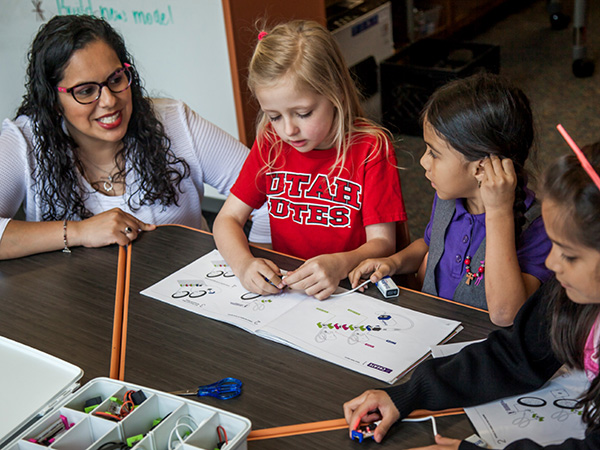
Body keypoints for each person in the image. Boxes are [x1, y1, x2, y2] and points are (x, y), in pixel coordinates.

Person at [343, 142, 600, 449]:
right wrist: (410, 394)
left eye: (569, 255)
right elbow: (516, 355)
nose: (551, 263)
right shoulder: (572, 295)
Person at [0, 14, 268, 260]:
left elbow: (272, 188)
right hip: (73, 304)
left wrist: (254, 260)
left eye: (116, 79)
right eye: (85, 91)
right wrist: (79, 232)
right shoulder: (26, 140)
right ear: (54, 101)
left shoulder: (175, 122)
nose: (108, 101)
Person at [213, 20, 406, 300]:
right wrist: (243, 264)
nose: (288, 130)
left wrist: (339, 263)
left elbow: (383, 243)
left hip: (350, 288)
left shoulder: (370, 148)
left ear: (335, 93)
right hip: (289, 289)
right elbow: (227, 219)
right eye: (274, 116)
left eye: (303, 113)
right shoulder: (271, 141)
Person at [349, 73, 552, 326]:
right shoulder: (450, 197)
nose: (423, 161)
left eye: (434, 153)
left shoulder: (539, 225)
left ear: (480, 169)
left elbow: (506, 314)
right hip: (434, 331)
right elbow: (431, 245)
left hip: (484, 351)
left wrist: (499, 212)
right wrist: (393, 262)